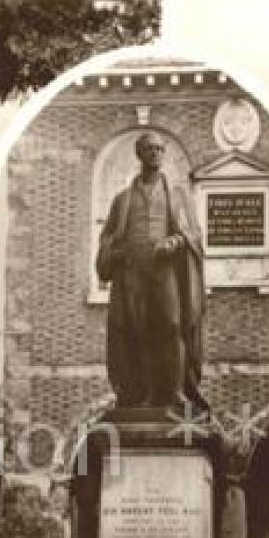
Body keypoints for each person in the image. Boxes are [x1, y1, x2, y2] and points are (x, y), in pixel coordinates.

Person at [95, 132, 208, 412]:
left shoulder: (179, 196)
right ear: (139, 154)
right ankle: (143, 395)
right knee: (139, 331)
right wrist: (118, 253)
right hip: (133, 272)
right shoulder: (121, 201)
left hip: (165, 270)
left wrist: (175, 241)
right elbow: (107, 237)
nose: (156, 153)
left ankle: (176, 392)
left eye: (160, 148)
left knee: (172, 326)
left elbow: (193, 233)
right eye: (150, 148)